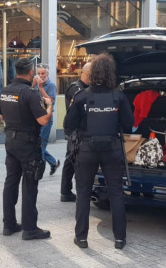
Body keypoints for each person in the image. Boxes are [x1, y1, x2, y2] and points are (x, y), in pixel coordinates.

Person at [64, 53, 132, 250]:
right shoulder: (119, 96)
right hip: (112, 149)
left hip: (87, 150)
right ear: (111, 73)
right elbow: (129, 124)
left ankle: (81, 238)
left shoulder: (81, 96)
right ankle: (120, 239)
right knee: (116, 193)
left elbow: (68, 126)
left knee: (83, 194)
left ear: (92, 73)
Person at [0, 57, 54, 240]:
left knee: (11, 182)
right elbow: (43, 120)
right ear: (31, 73)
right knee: (30, 185)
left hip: (10, 141)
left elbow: (1, 116)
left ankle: (9, 224)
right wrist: (49, 105)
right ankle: (30, 229)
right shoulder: (29, 93)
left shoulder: (5, 90)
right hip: (28, 144)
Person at [59, 62, 92, 202]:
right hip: (75, 132)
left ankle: (68, 191)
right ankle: (66, 192)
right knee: (71, 161)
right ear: (88, 75)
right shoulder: (76, 89)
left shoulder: (88, 89)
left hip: (84, 131)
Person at [34, 63, 60, 175]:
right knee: (37, 146)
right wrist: (33, 84)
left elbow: (50, 102)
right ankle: (53, 163)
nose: (41, 75)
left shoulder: (51, 86)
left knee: (40, 147)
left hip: (46, 119)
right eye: (39, 73)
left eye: (43, 73)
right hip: (35, 118)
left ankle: (37, 170)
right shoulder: (35, 84)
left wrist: (40, 88)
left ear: (47, 74)